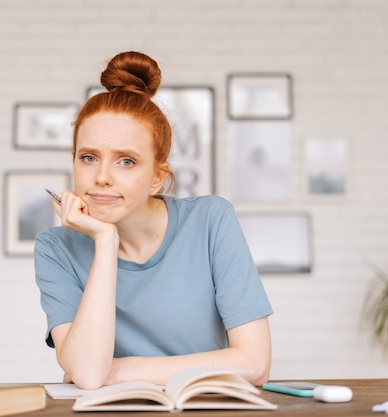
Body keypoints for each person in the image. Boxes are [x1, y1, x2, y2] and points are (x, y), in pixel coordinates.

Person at [34, 51, 273, 390]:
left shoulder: (210, 220)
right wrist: (105, 241)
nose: (101, 177)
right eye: (88, 157)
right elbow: (88, 375)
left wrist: (117, 370)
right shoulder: (55, 247)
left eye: (126, 161)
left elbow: (254, 364)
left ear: (157, 178)